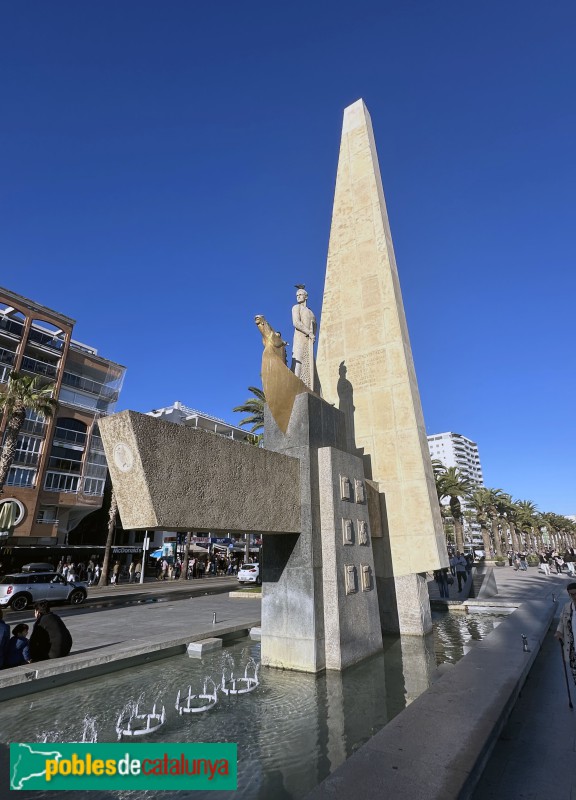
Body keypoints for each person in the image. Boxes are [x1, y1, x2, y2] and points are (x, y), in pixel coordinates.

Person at [291, 286, 317, 389]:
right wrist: (309, 332)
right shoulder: (296, 308)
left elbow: (315, 325)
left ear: (306, 296)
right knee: (298, 361)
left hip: (309, 341)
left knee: (311, 365)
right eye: (297, 295)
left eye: (300, 295)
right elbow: (296, 322)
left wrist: (312, 335)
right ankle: (295, 387)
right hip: (300, 338)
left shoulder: (311, 312)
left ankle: (316, 391)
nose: (298, 297)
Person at [555, 583, 576, 686]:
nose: (575, 596)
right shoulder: (567, 607)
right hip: (573, 651)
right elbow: (561, 622)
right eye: (572, 594)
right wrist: (559, 631)